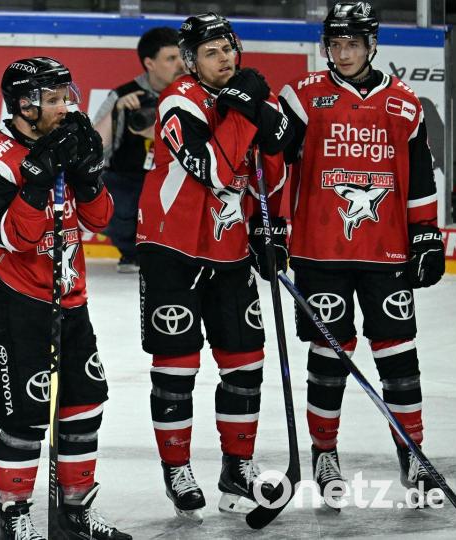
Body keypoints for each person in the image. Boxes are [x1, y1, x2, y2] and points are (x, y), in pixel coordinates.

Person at [278, 1, 444, 510]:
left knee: (398, 353)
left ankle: (413, 452)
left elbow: (419, 175)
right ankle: (324, 451)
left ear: (372, 45)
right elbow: (274, 163)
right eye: (335, 44)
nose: (343, 53)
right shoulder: (302, 97)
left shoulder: (405, 103)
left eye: (352, 43)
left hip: (385, 251)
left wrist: (426, 234)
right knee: (330, 353)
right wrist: (273, 226)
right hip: (319, 250)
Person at [135, 12, 293, 521]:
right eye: (211, 52)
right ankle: (177, 468)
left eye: (228, 49)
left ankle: (237, 466)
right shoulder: (178, 101)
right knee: (177, 366)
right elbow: (217, 171)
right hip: (171, 248)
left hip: (230, 249)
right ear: (191, 61)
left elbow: (275, 171)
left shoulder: (256, 96)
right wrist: (247, 110)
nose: (224, 58)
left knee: (245, 361)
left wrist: (273, 228)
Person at [0, 56, 132, 540]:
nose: (66, 107)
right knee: (25, 418)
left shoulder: (70, 142)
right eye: (55, 99)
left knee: (84, 406)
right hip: (13, 303)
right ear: (25, 105)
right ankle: (14, 514)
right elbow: (12, 238)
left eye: (67, 97)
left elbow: (100, 221)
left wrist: (89, 175)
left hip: (70, 299)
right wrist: (37, 181)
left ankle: (74, 509)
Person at [93, 27, 186, 273]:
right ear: (149, 63)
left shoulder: (193, 91)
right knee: (106, 189)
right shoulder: (124, 94)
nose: (181, 65)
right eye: (171, 58)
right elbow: (93, 149)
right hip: (131, 180)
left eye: (182, 56)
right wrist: (117, 111)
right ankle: (131, 252)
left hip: (179, 177)